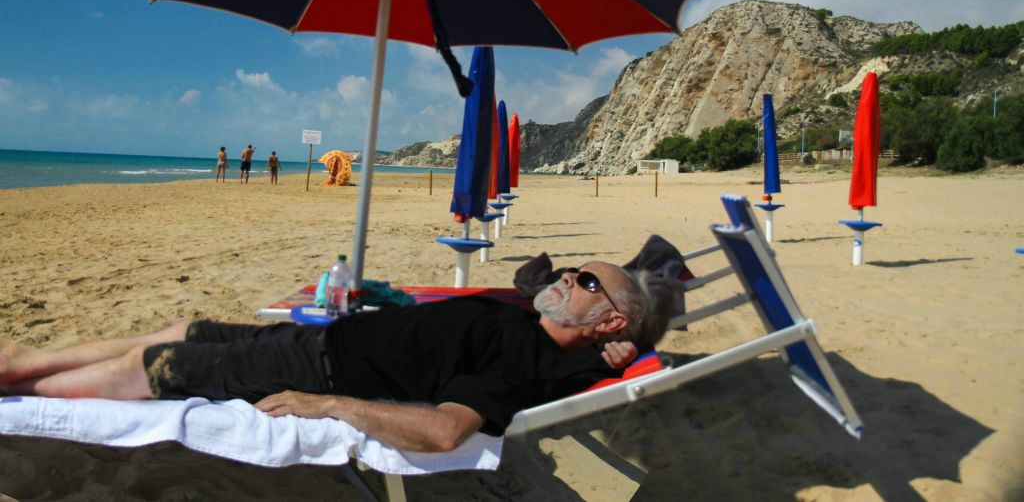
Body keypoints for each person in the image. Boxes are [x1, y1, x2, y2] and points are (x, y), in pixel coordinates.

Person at [0, 262, 668, 453]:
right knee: (183, 325)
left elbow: (445, 430)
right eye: (575, 269)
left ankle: (20, 388)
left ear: (608, 315)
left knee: (149, 369)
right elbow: (590, 348)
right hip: (318, 337)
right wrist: (613, 354)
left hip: (316, 371)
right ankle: (26, 359)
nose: (567, 277)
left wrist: (331, 405)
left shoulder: (520, 362)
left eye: (586, 282)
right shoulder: (550, 334)